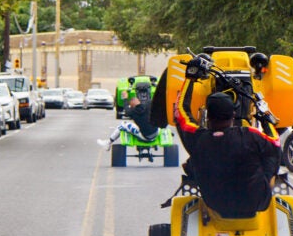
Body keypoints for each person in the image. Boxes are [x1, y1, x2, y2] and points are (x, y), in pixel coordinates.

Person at [174, 64, 280, 218]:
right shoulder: (251, 135)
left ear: (207, 116)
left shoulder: (198, 139)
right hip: (256, 202)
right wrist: (265, 118)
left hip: (215, 203)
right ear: (233, 114)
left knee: (193, 162)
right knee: (271, 154)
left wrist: (191, 77)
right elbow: (276, 143)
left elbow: (181, 112)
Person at [97, 82, 159, 150]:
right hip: (156, 132)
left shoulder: (132, 111)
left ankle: (108, 143)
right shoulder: (149, 104)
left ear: (132, 106)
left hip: (145, 136)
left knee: (122, 125)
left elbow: (126, 109)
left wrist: (125, 98)